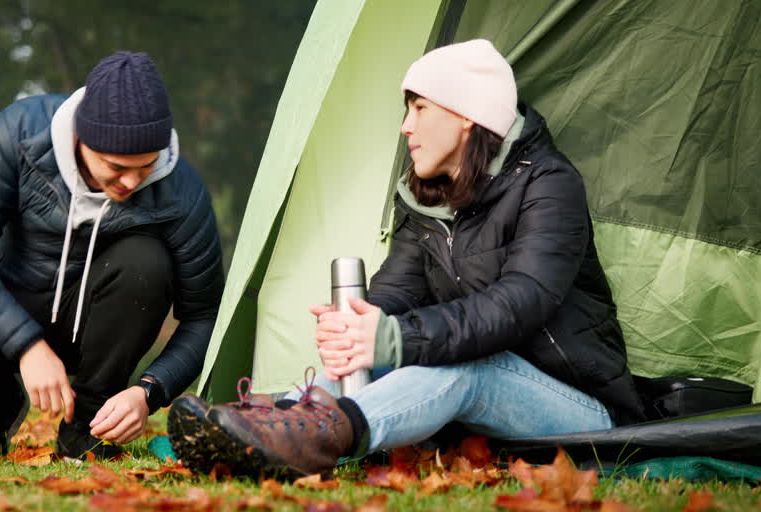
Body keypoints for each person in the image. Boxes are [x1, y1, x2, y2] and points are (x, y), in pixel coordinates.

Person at [168, 39, 644, 478]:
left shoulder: (550, 184)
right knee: (377, 350)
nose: (406, 126)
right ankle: (262, 429)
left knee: (461, 363)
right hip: (477, 396)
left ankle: (312, 442)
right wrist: (356, 326)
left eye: (419, 108)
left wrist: (394, 338)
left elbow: (518, 304)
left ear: (465, 116)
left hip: (579, 408)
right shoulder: (428, 197)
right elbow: (396, 291)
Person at [0, 51, 223, 460]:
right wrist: (26, 346)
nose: (131, 181)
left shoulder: (182, 190)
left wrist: (148, 392)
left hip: (99, 327)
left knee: (146, 261)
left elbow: (204, 316)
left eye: (146, 166)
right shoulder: (22, 132)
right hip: (10, 308)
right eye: (115, 166)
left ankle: (85, 430)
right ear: (80, 137)